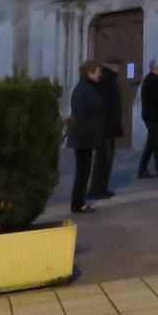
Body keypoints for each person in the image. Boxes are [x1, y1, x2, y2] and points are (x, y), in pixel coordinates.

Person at [67, 61, 105, 213]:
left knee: (84, 171)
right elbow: (82, 115)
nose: (99, 74)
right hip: (83, 138)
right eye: (97, 71)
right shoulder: (84, 90)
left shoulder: (87, 88)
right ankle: (77, 203)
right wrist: (86, 137)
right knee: (82, 172)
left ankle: (79, 202)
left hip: (85, 137)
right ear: (90, 72)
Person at [89, 58, 123, 199]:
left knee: (107, 159)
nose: (120, 69)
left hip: (109, 126)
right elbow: (102, 105)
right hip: (104, 127)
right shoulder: (105, 81)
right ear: (113, 66)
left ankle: (102, 187)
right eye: (118, 66)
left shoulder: (110, 79)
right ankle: (97, 189)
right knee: (102, 159)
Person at [138, 59, 158, 179]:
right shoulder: (151, 81)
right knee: (157, 144)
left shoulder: (157, 80)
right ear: (154, 68)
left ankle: (143, 169)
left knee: (152, 143)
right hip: (152, 116)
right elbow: (157, 98)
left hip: (155, 116)